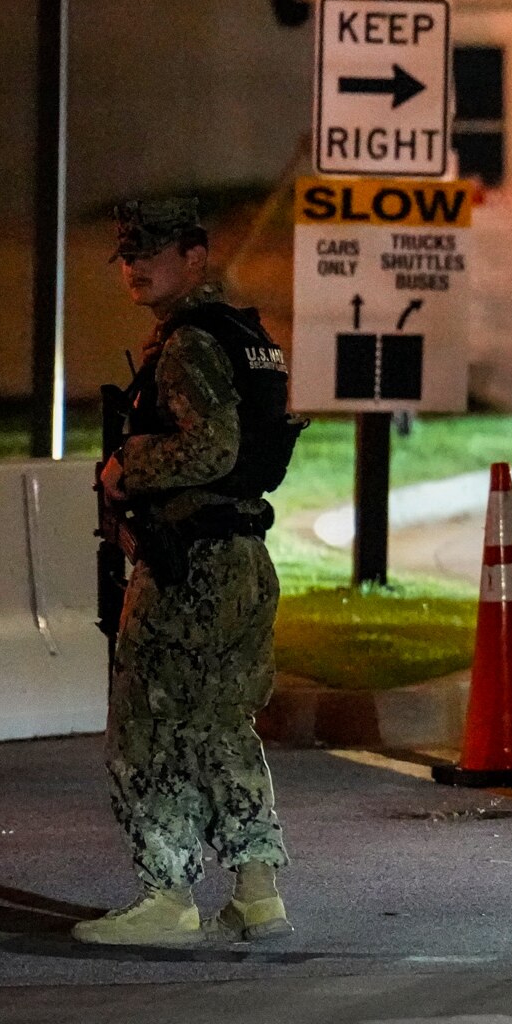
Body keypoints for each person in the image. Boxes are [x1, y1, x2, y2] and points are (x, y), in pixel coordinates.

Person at [74, 197, 303, 946]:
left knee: (147, 728)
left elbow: (214, 449)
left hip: (192, 568)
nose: (136, 266)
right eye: (129, 254)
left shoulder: (190, 345)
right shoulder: (243, 335)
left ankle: (167, 897)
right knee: (221, 727)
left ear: (196, 257)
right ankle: (257, 890)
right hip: (240, 561)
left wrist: (124, 466)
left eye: (154, 251)